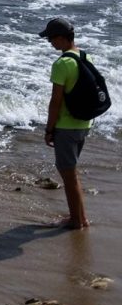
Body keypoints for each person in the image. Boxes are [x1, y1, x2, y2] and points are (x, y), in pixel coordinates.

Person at [39, 17, 98, 231]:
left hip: (66, 126)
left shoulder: (62, 64)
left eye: (52, 39)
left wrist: (49, 129)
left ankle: (76, 221)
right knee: (72, 173)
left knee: (69, 175)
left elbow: (56, 101)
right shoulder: (85, 56)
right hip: (84, 124)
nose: (50, 43)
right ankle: (80, 217)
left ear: (62, 38)